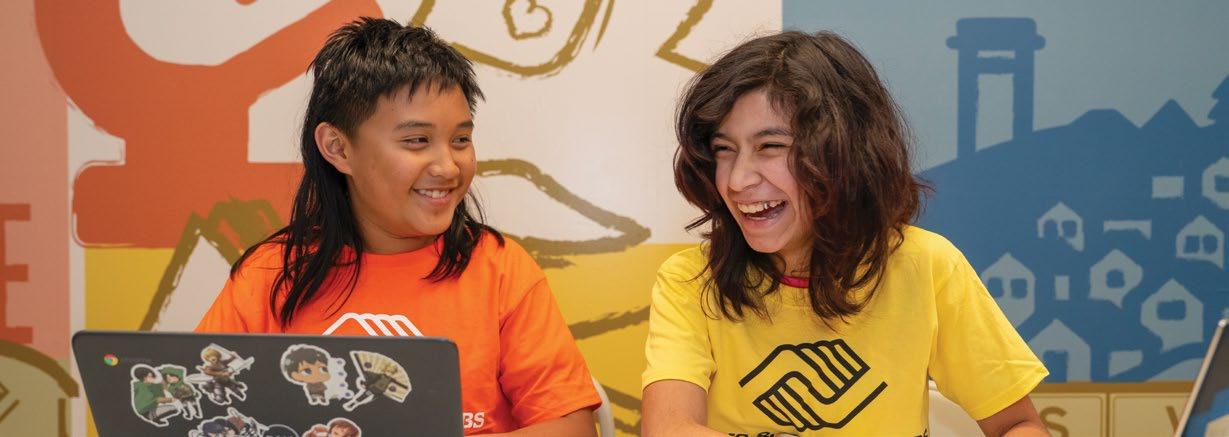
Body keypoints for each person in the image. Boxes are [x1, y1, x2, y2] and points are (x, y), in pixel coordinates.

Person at [195, 18, 599, 436]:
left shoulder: (501, 270)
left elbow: (572, 428)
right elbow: (199, 414)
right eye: (417, 141)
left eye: (460, 140)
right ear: (338, 148)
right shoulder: (270, 274)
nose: (448, 167)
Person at [642, 31, 1050, 436]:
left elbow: (1018, 425)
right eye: (724, 150)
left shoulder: (927, 265)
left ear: (843, 153)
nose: (737, 180)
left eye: (769, 146)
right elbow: (668, 428)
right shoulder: (691, 279)